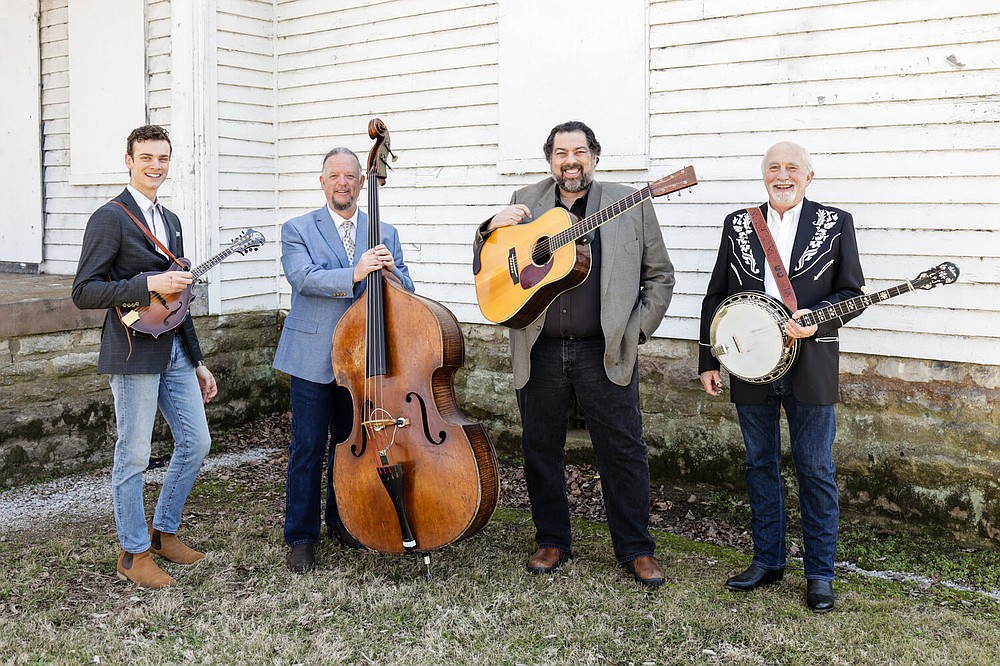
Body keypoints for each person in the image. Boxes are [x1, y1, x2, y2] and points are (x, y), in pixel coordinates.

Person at [473, 121, 675, 587]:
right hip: (539, 348)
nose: (570, 160)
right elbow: (489, 260)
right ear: (550, 160)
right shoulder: (526, 199)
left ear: (594, 157)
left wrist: (636, 331)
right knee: (540, 447)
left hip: (602, 350)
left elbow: (660, 275)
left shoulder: (630, 201)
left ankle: (635, 548)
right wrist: (487, 228)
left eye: (580, 151)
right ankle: (552, 539)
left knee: (623, 450)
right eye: (561, 152)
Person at [698, 141, 866, 613]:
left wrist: (819, 318)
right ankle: (768, 560)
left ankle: (819, 574)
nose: (783, 175)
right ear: (763, 175)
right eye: (773, 167)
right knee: (759, 464)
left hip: (811, 365)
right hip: (749, 363)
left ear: (809, 176)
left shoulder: (836, 223)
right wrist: (708, 359)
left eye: (792, 167)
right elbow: (716, 294)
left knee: (815, 468)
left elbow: (852, 292)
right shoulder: (738, 223)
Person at [72, 124, 218, 589]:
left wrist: (196, 360)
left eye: (163, 158)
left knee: (197, 443)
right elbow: (84, 291)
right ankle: (132, 554)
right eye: (146, 157)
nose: (155, 166)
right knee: (133, 455)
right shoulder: (109, 218)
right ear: (129, 160)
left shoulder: (171, 221)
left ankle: (163, 533)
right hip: (133, 352)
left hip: (173, 350)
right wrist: (148, 283)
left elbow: (179, 299)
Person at [272, 147, 414, 573]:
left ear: (361, 182)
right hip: (314, 356)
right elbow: (303, 278)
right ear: (323, 182)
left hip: (363, 361)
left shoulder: (383, 230)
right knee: (308, 447)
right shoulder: (297, 228)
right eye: (334, 175)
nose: (343, 182)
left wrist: (390, 272)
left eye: (350, 176)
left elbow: (406, 286)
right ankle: (300, 536)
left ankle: (341, 521)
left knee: (350, 445)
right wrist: (355, 272)